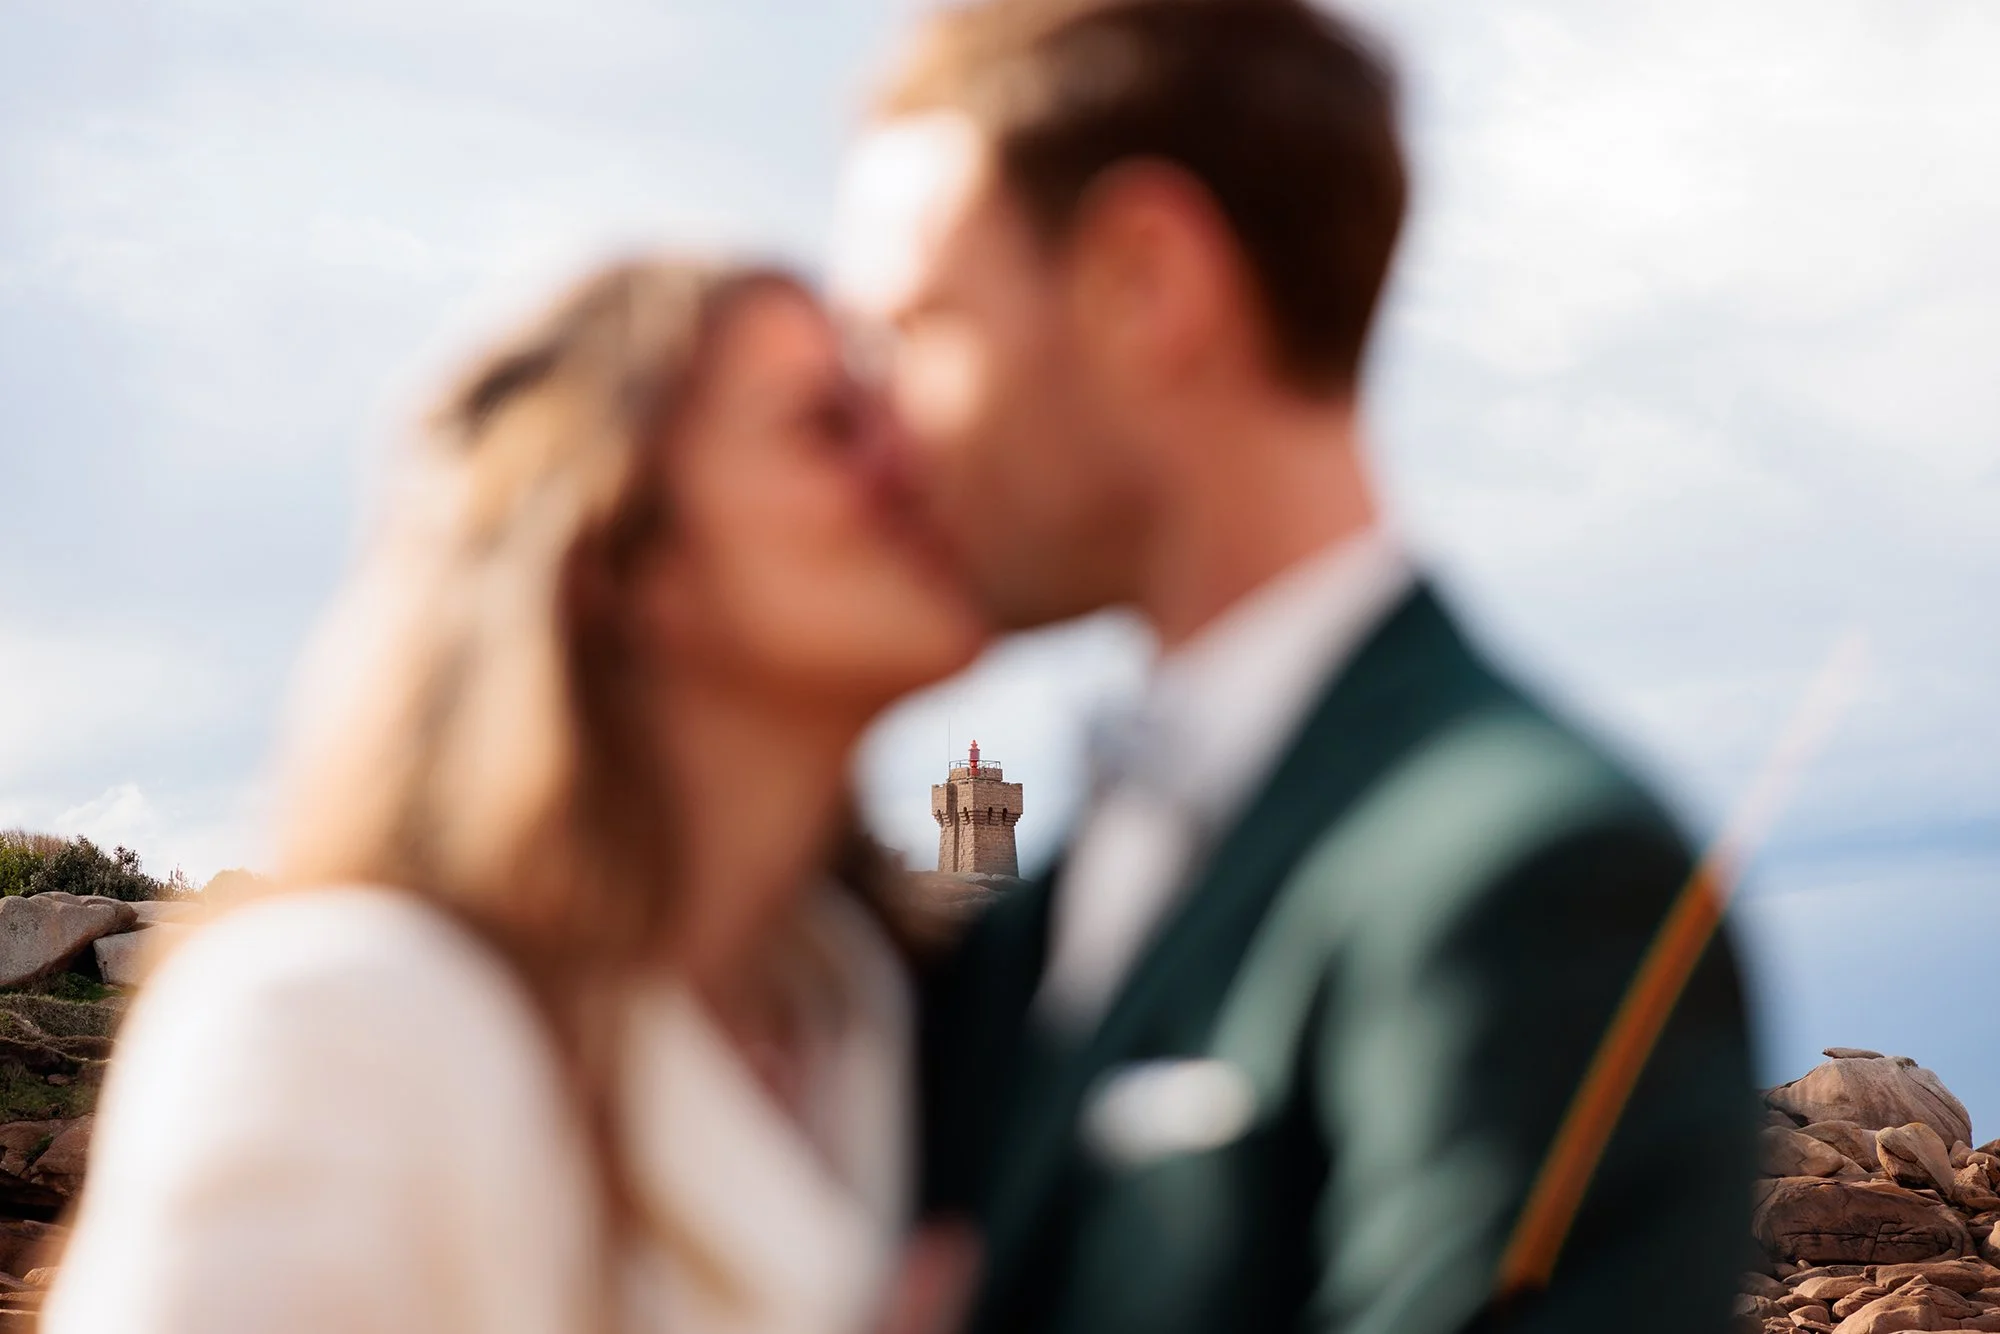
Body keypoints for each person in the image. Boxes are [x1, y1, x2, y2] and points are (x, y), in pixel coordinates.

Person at [831, 2, 1760, 1332]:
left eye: (916, 328)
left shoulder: (1534, 878)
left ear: (1144, 283)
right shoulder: (1039, 916)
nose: (888, 439)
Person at [43, 261, 987, 1333]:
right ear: (616, 560)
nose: (917, 457)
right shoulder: (343, 1022)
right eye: (828, 424)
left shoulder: (889, 1014)